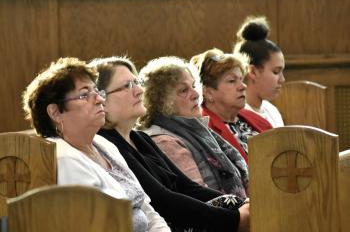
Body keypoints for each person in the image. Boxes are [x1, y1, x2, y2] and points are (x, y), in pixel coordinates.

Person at [92, 56, 250, 232]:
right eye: (127, 86)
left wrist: (243, 205)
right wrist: (233, 219)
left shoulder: (140, 138)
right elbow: (162, 199)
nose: (139, 90)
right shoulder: (108, 144)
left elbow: (188, 187)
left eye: (137, 82)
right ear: (101, 98)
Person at [22, 57, 170, 232]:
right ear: (55, 112)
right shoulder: (63, 160)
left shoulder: (103, 144)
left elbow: (146, 208)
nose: (100, 99)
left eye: (97, 92)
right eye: (85, 95)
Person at [138, 56, 248, 198]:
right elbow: (199, 198)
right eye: (184, 90)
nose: (196, 94)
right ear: (161, 100)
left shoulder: (195, 129)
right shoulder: (165, 141)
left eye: (194, 86)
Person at [190, 49, 273, 164]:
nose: (243, 86)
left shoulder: (256, 118)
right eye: (232, 81)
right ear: (208, 92)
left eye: (241, 79)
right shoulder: (204, 129)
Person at [233, 16, 285, 128]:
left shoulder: (272, 111)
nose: (282, 80)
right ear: (253, 71)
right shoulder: (235, 116)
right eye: (276, 72)